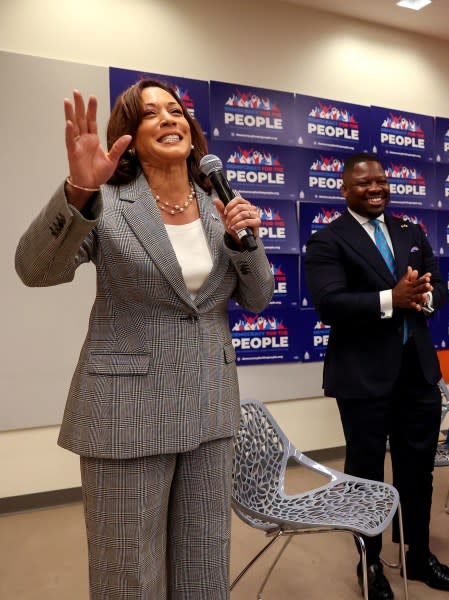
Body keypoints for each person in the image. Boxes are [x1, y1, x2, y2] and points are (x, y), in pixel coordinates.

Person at [15, 81, 274, 598]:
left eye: (175, 111)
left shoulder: (219, 204)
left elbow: (259, 297)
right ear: (129, 137)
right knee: (129, 573)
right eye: (150, 113)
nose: (168, 119)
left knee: (204, 565)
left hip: (210, 404)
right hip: (127, 411)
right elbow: (34, 269)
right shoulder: (107, 203)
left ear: (192, 129)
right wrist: (78, 191)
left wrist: (244, 241)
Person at [303, 152, 449, 599]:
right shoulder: (327, 240)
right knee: (366, 473)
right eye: (363, 184)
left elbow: (438, 286)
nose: (375, 189)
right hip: (363, 377)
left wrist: (425, 298)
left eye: (381, 182)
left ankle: (418, 554)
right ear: (344, 189)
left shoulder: (411, 232)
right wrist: (391, 298)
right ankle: (369, 563)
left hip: (418, 374)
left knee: (418, 472)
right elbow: (330, 304)